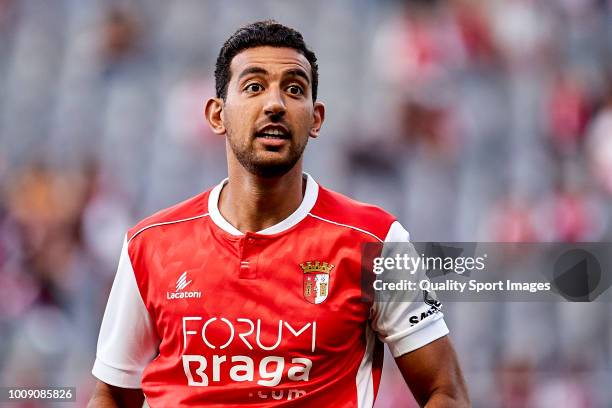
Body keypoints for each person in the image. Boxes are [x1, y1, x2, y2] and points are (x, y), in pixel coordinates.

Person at [88, 20, 469, 407]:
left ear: (315, 118)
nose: (275, 103)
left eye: (294, 89)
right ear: (217, 115)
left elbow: (446, 391)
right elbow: (112, 395)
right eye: (254, 87)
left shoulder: (377, 241)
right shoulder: (149, 245)